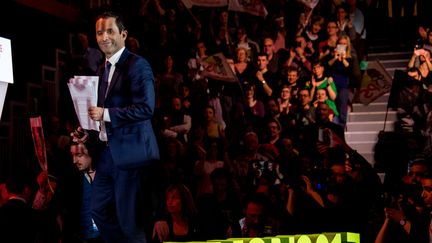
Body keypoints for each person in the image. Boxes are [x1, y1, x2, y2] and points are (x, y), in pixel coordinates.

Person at [87, 11, 160, 243]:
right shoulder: (101, 69)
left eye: (110, 31)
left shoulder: (138, 65)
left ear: (123, 34)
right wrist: (88, 126)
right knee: (98, 211)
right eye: (100, 32)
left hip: (130, 154)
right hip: (107, 154)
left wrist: (106, 114)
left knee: (130, 221)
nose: (104, 37)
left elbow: (146, 108)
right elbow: (101, 112)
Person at [69, 129, 104, 242]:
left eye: (79, 155)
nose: (74, 160)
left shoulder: (107, 176)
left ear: (91, 152)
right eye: (73, 155)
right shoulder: (73, 179)